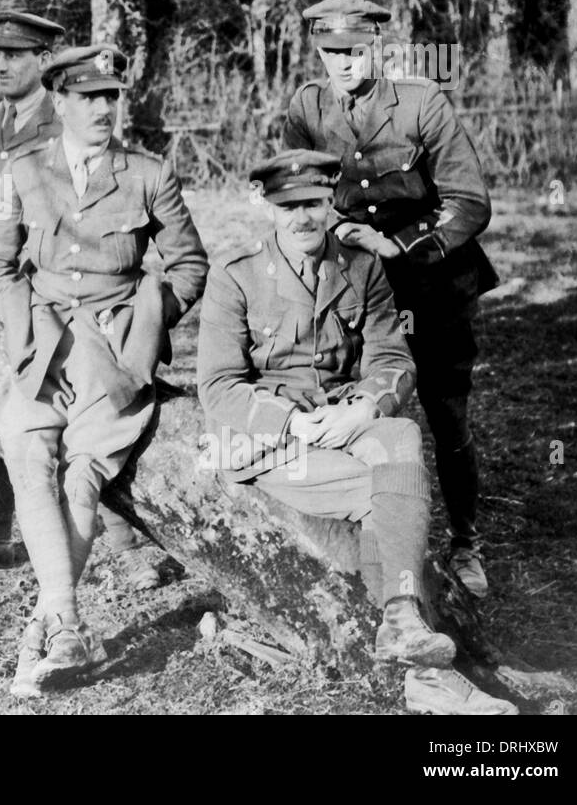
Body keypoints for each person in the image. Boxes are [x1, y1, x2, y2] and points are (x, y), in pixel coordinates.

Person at [196, 148, 514, 715]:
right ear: (268, 207)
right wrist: (292, 420)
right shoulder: (236, 273)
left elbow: (393, 360)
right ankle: (428, 678)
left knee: (400, 439)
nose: (302, 218)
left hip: (340, 424)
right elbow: (218, 386)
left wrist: (363, 408)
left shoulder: (360, 266)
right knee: (393, 494)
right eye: (288, 205)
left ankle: (401, 623)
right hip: (272, 442)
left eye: (314, 204)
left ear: (331, 204)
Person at [0, 45, 208, 698]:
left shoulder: (148, 174)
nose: (104, 108)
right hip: (42, 341)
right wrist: (20, 330)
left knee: (82, 475)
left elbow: (189, 265)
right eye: (88, 97)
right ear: (58, 100)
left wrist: (147, 321)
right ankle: (64, 623)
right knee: (25, 449)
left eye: (111, 95)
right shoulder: (19, 170)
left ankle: (48, 631)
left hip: (113, 355)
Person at [0, 11, 161, 591]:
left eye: (16, 55)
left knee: (70, 412)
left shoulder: (64, 132)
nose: (2, 64)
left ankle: (125, 542)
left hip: (47, 300)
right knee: (12, 412)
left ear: (46, 65)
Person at [281, 0, 497, 599]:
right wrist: (329, 230)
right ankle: (380, 547)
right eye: (331, 53)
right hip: (358, 285)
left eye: (354, 52)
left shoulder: (421, 102)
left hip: (433, 278)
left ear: (376, 47)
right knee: (362, 408)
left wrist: (400, 242)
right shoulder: (307, 105)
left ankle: (466, 541)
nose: (343, 64)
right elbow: (301, 190)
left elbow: (470, 202)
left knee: (445, 412)